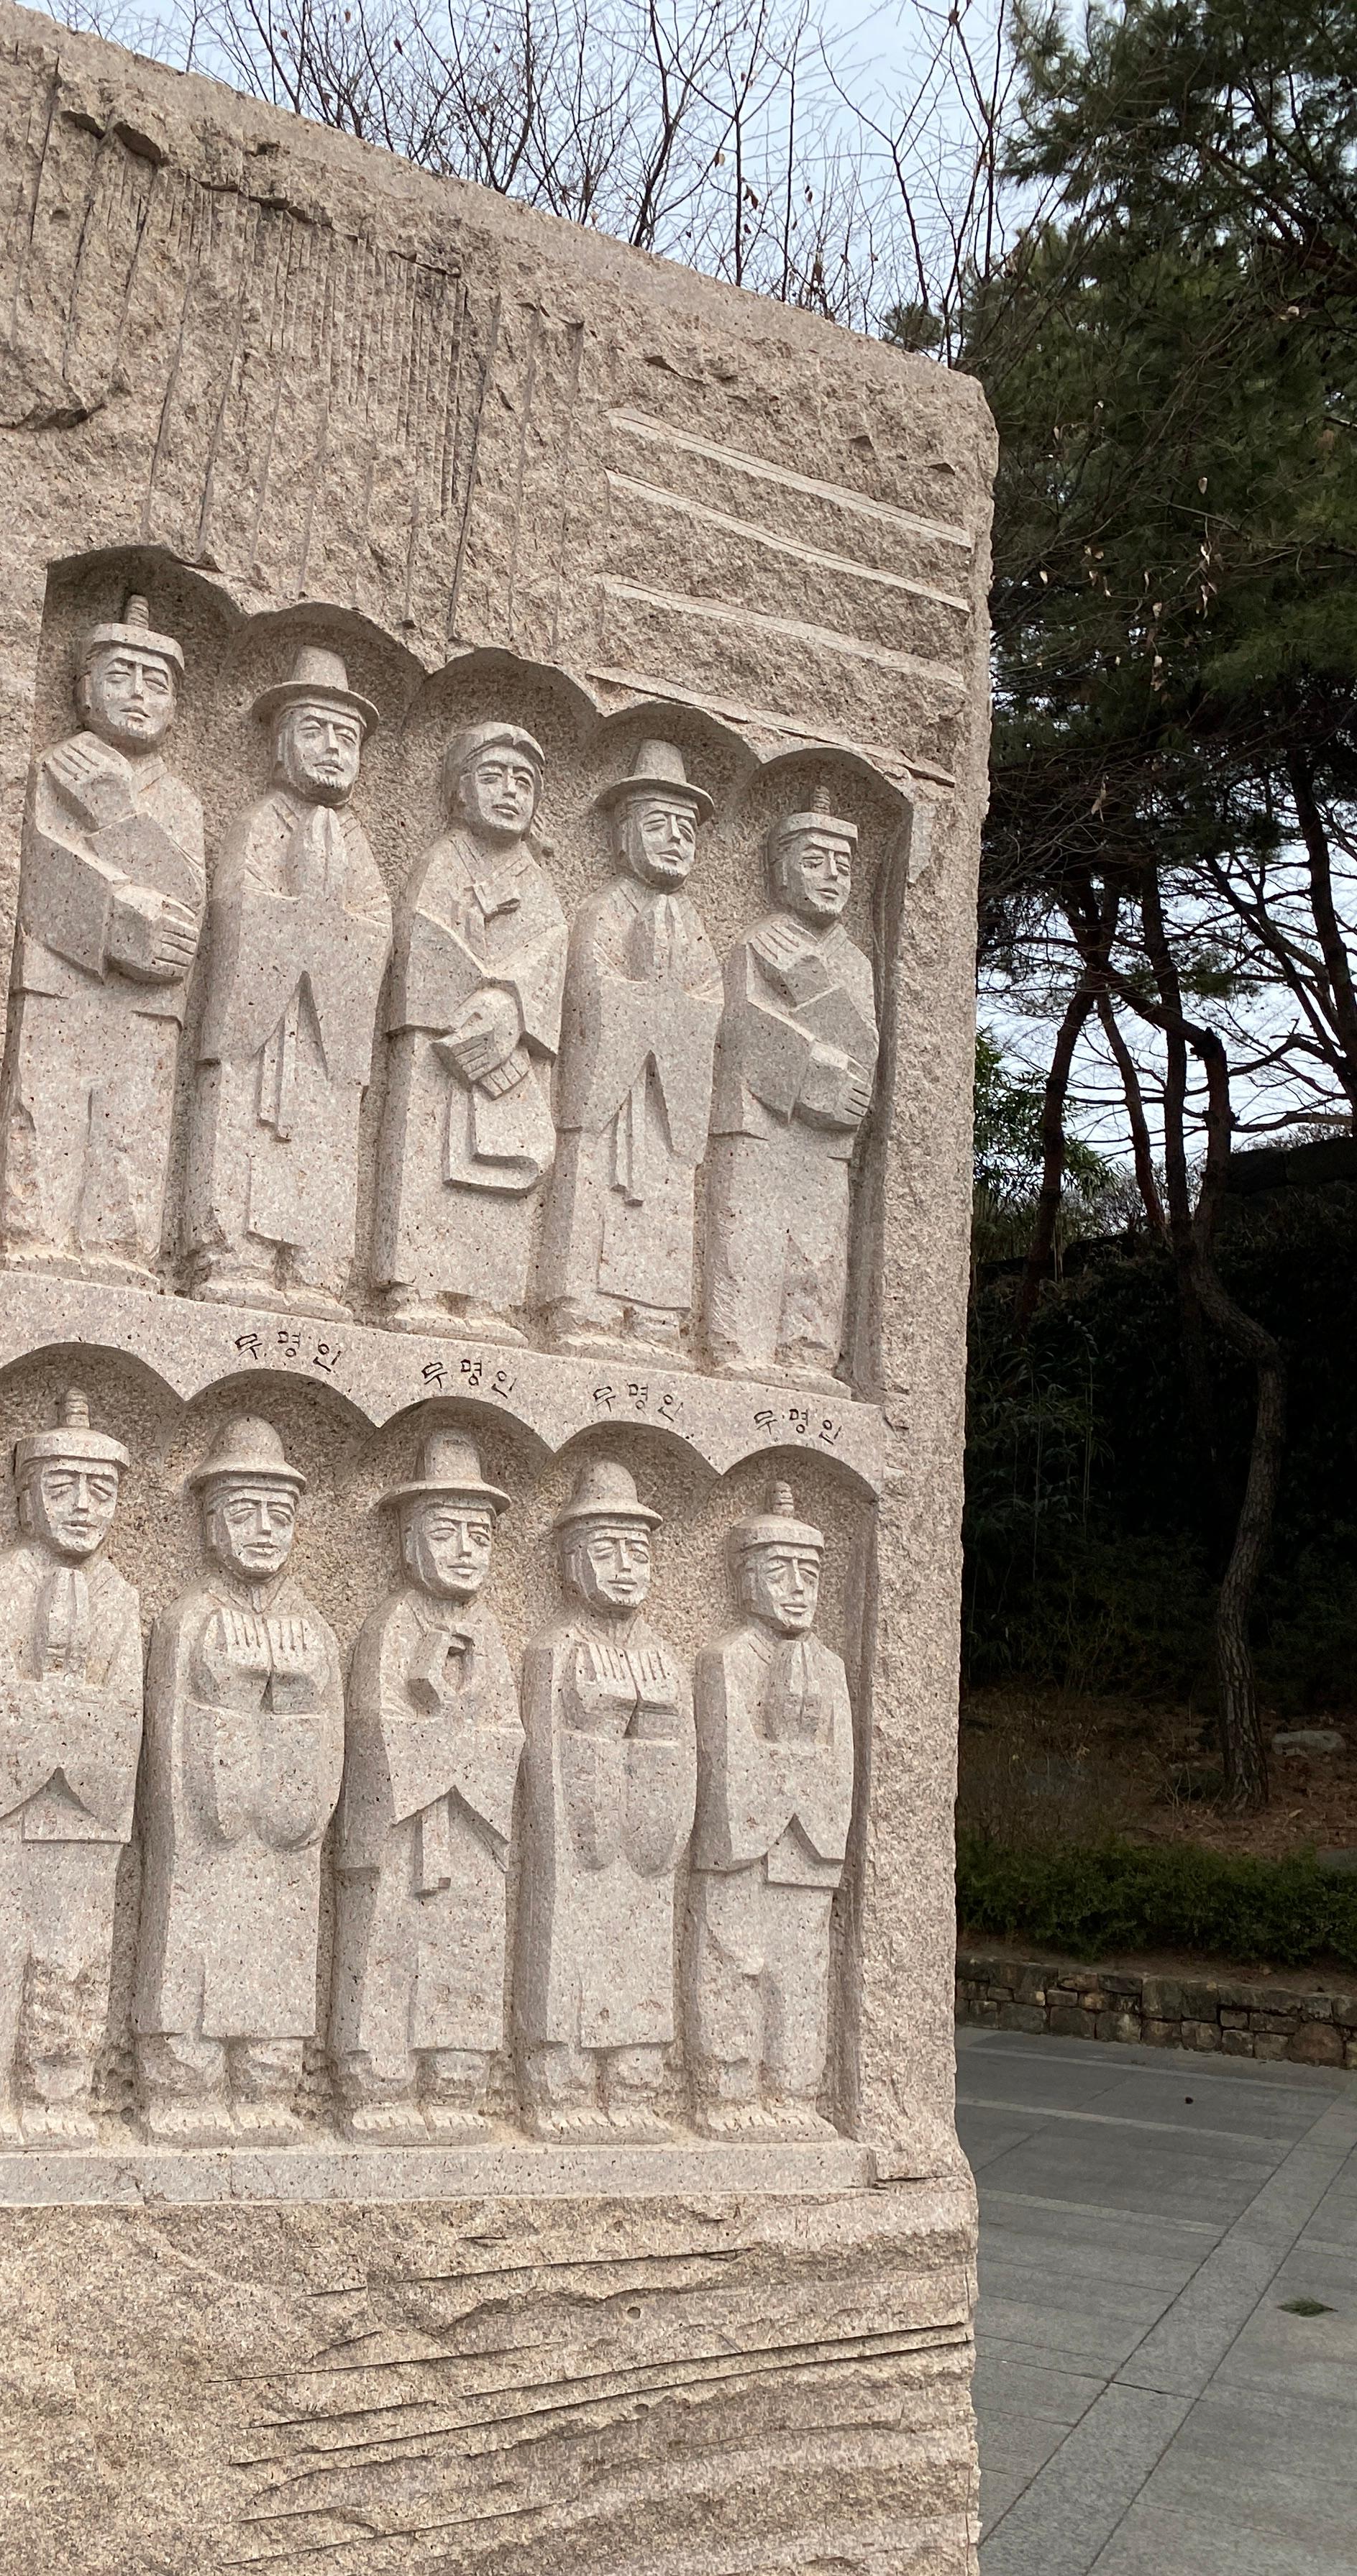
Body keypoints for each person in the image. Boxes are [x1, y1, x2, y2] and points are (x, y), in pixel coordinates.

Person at [0, 1393, 142, 2151]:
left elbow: (127, 1712)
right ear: (25, 1497)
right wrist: (68, 1709)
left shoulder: (121, 1599)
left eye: (101, 1491)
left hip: (85, 1809)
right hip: (0, 1806)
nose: (83, 1507)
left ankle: (56, 2095)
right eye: (62, 1487)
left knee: (73, 1959)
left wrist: (64, 1712)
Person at [135, 1418, 342, 2144]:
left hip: (285, 1849)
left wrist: (293, 1705)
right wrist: (228, 1700)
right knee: (193, 1948)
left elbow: (327, 1763)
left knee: (280, 1951)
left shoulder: (314, 1632)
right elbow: (170, 1760)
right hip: (204, 1844)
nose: (264, 1531)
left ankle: (265, 2081)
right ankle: (186, 2082)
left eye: (279, 1515)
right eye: (244, 1512)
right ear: (210, 1523)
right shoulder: (189, 1621)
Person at [0, 597, 204, 1277]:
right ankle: (36, 1235)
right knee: (45, 1113)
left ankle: (119, 1253)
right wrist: (118, 914)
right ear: (84, 691)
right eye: (121, 676)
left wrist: (116, 815)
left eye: (157, 683)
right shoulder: (55, 769)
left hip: (148, 1006)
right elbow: (42, 865)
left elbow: (189, 896)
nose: (139, 695)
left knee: (131, 1132)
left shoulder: (179, 799)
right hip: (60, 980)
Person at [184, 643, 390, 1313]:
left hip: (327, 1036)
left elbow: (376, 927)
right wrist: (301, 909)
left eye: (346, 739)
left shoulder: (353, 841)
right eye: (315, 732)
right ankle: (235, 1253)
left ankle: (316, 1270)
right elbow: (236, 911)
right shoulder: (258, 823)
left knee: (325, 1136)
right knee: (244, 1124)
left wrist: (328, 919)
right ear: (280, 745)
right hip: (264, 1030)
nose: (332, 749)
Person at [332, 1429, 523, 2141]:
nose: (466, 1550)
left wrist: (459, 1733)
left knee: (466, 1949)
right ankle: (381, 2084)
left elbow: (510, 1735)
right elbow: (375, 1730)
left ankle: (454, 2081)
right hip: (404, 1833)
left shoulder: (490, 1632)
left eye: (481, 1535)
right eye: (446, 1533)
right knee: (391, 1950)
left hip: (472, 1832)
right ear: (410, 1542)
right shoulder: (391, 1625)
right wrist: (443, 1732)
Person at [518, 1457, 695, 2138]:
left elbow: (686, 1766)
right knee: (569, 1960)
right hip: (576, 1855)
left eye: (638, 1552)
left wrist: (651, 1734)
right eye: (607, 1550)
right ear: (571, 1563)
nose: (626, 1568)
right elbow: (545, 1776)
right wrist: (598, 1731)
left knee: (642, 1958)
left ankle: (633, 2083)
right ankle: (562, 2088)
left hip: (646, 1856)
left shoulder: (665, 1659)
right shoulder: (555, 1649)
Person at [373, 723, 566, 1342]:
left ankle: (490, 1299)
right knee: (428, 1162)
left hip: (509, 1053)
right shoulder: (442, 862)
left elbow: (550, 952)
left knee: (501, 1180)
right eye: (492, 777)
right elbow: (421, 938)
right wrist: (473, 993)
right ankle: (420, 1286)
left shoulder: (536, 882)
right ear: (459, 791)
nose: (509, 792)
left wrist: (509, 1003)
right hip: (443, 1047)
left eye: (523, 782)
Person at [536, 741, 722, 1354]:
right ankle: (583, 1308)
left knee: (667, 1191)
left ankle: (657, 1319)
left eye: (686, 831)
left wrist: (667, 1003)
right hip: (611, 1103)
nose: (675, 840)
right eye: (658, 825)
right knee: (593, 1182)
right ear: (622, 836)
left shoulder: (693, 925)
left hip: (667, 1103)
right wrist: (646, 995)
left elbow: (708, 1003)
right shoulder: (601, 912)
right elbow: (590, 996)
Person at [688, 1480, 854, 2137]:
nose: (797, 1588)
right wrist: (789, 1753)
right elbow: (726, 1759)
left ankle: (794, 2090)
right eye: (779, 1571)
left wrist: (797, 1771)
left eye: (809, 1574)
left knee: (802, 1971)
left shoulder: (830, 1668)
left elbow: (841, 1766)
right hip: (743, 1847)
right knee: (733, 1963)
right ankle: (727, 2091)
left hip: (807, 1849)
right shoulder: (725, 1659)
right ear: (746, 1581)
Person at [703, 790, 877, 1383]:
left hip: (825, 1142)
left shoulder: (854, 962)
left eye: (843, 866)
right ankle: (738, 1344)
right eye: (814, 862)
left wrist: (811, 984)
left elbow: (865, 1052)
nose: (832, 876)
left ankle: (808, 1351)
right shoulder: (758, 943)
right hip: (758, 1123)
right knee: (748, 1233)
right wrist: (814, 1074)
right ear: (781, 874)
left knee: (818, 1244)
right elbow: (740, 1029)